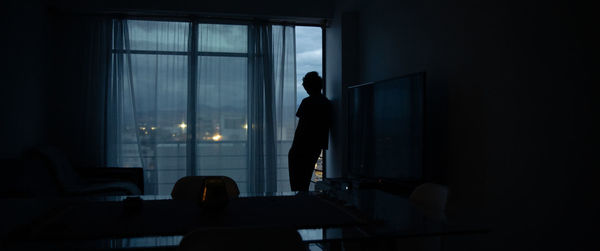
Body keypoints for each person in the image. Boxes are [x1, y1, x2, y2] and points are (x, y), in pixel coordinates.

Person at [288, 71, 332, 192]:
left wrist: (294, 145)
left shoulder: (307, 102)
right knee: (306, 175)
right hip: (316, 145)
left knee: (297, 176)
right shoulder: (326, 103)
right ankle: (303, 198)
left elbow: (301, 127)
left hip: (302, 144)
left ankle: (298, 198)